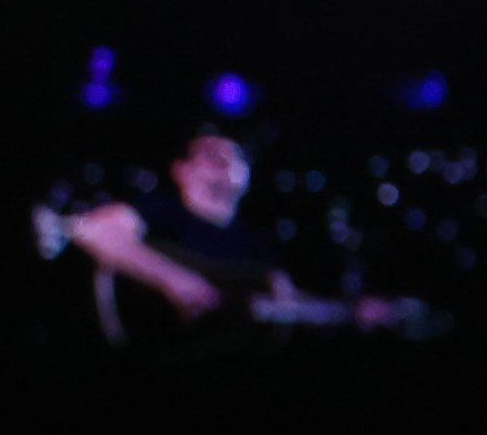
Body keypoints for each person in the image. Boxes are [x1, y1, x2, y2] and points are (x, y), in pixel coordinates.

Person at [37, 123, 416, 335]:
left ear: (246, 176)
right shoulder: (160, 210)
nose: (220, 163)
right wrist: (173, 279)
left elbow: (284, 303)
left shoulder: (257, 242)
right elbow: (94, 231)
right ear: (181, 170)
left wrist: (353, 312)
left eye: (230, 157)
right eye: (207, 155)